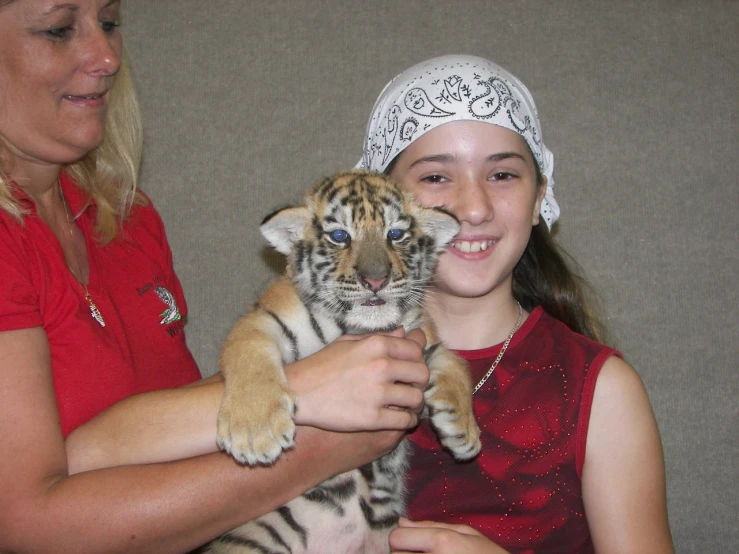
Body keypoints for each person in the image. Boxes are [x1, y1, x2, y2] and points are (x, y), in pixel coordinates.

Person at [0, 1, 431, 552]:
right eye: (59, 29)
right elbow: (28, 530)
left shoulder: (127, 218)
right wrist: (316, 428)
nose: (106, 56)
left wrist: (295, 377)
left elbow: (187, 428)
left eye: (109, 23)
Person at [355, 55, 675, 553]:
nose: (474, 207)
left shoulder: (601, 392)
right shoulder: (323, 370)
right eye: (437, 177)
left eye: (502, 175)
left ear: (539, 194)